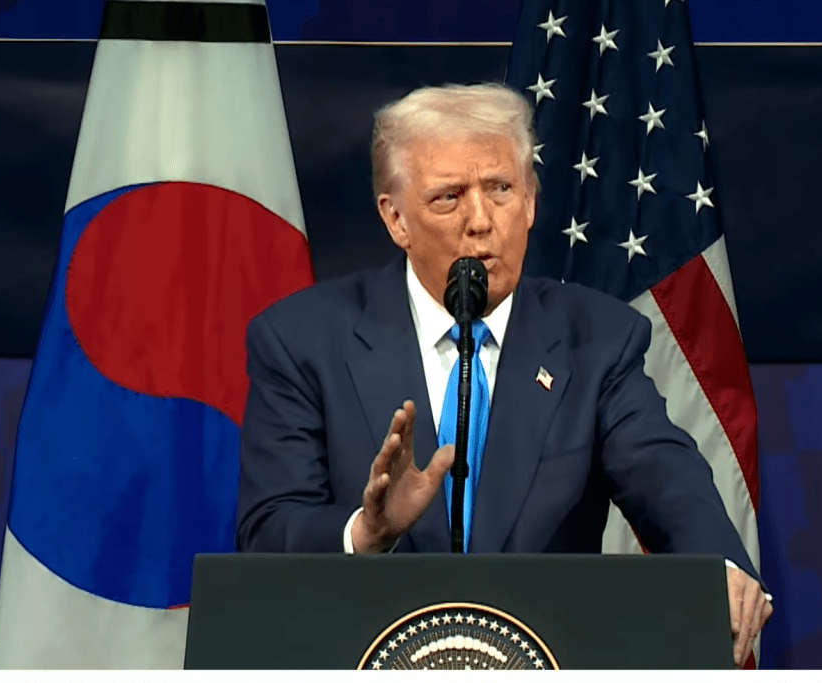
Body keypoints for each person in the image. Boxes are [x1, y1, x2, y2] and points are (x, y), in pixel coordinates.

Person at [237, 83, 772, 667]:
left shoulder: (595, 339)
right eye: (448, 197)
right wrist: (366, 533)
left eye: (501, 189)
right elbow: (268, 529)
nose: (481, 221)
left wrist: (718, 567)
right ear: (396, 219)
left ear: (532, 201)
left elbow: (667, 478)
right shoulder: (302, 340)